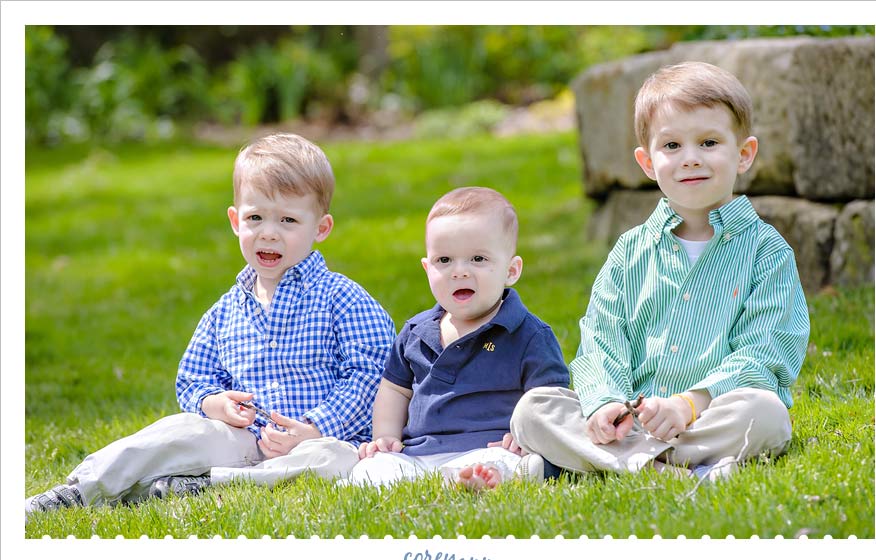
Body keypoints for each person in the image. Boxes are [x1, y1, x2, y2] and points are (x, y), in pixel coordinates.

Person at [25, 133, 396, 519]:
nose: (269, 232)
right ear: (236, 221)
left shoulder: (343, 297)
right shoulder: (226, 310)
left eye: (288, 220)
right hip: (242, 437)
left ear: (321, 228)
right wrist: (213, 403)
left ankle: (207, 483)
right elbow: (193, 378)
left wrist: (316, 426)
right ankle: (78, 491)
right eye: (256, 218)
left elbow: (373, 374)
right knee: (178, 432)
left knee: (335, 460)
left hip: (316, 440)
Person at [510, 62, 810, 482]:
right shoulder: (630, 251)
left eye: (708, 142)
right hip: (634, 423)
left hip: (709, 417)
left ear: (743, 155)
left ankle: (624, 464)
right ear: (648, 162)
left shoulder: (766, 251)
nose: (690, 159)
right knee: (532, 410)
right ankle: (674, 469)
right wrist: (604, 403)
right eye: (671, 146)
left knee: (766, 413)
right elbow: (601, 337)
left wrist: (688, 404)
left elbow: (767, 350)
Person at [346, 187, 570, 490]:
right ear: (427, 268)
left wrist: (525, 437)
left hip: (489, 446)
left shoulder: (528, 334)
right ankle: (445, 479)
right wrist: (385, 437)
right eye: (445, 260)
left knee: (515, 464)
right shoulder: (416, 332)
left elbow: (548, 399)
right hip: (420, 453)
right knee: (370, 470)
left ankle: (483, 477)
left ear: (511, 270)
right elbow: (394, 390)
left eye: (478, 259)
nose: (459, 272)